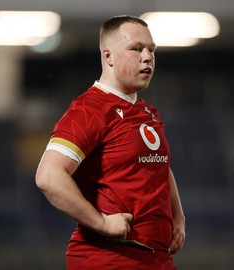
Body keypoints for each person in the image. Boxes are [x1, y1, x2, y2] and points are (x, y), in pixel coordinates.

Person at [35, 15, 185, 269]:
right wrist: (102, 223)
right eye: (136, 49)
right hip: (111, 258)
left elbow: (159, 167)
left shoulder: (146, 111)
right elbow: (48, 176)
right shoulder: (89, 109)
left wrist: (178, 217)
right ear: (109, 56)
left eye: (151, 50)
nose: (147, 57)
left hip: (155, 258)